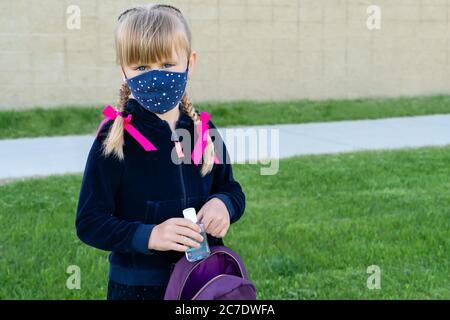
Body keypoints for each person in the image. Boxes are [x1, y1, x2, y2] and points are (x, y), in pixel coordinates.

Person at [75, 4, 246, 300]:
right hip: (137, 288)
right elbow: (90, 221)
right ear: (123, 71)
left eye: (167, 65)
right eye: (141, 68)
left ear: (190, 62)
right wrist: (150, 235)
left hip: (201, 280)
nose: (155, 77)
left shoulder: (203, 129)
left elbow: (230, 188)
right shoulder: (114, 139)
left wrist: (224, 204)